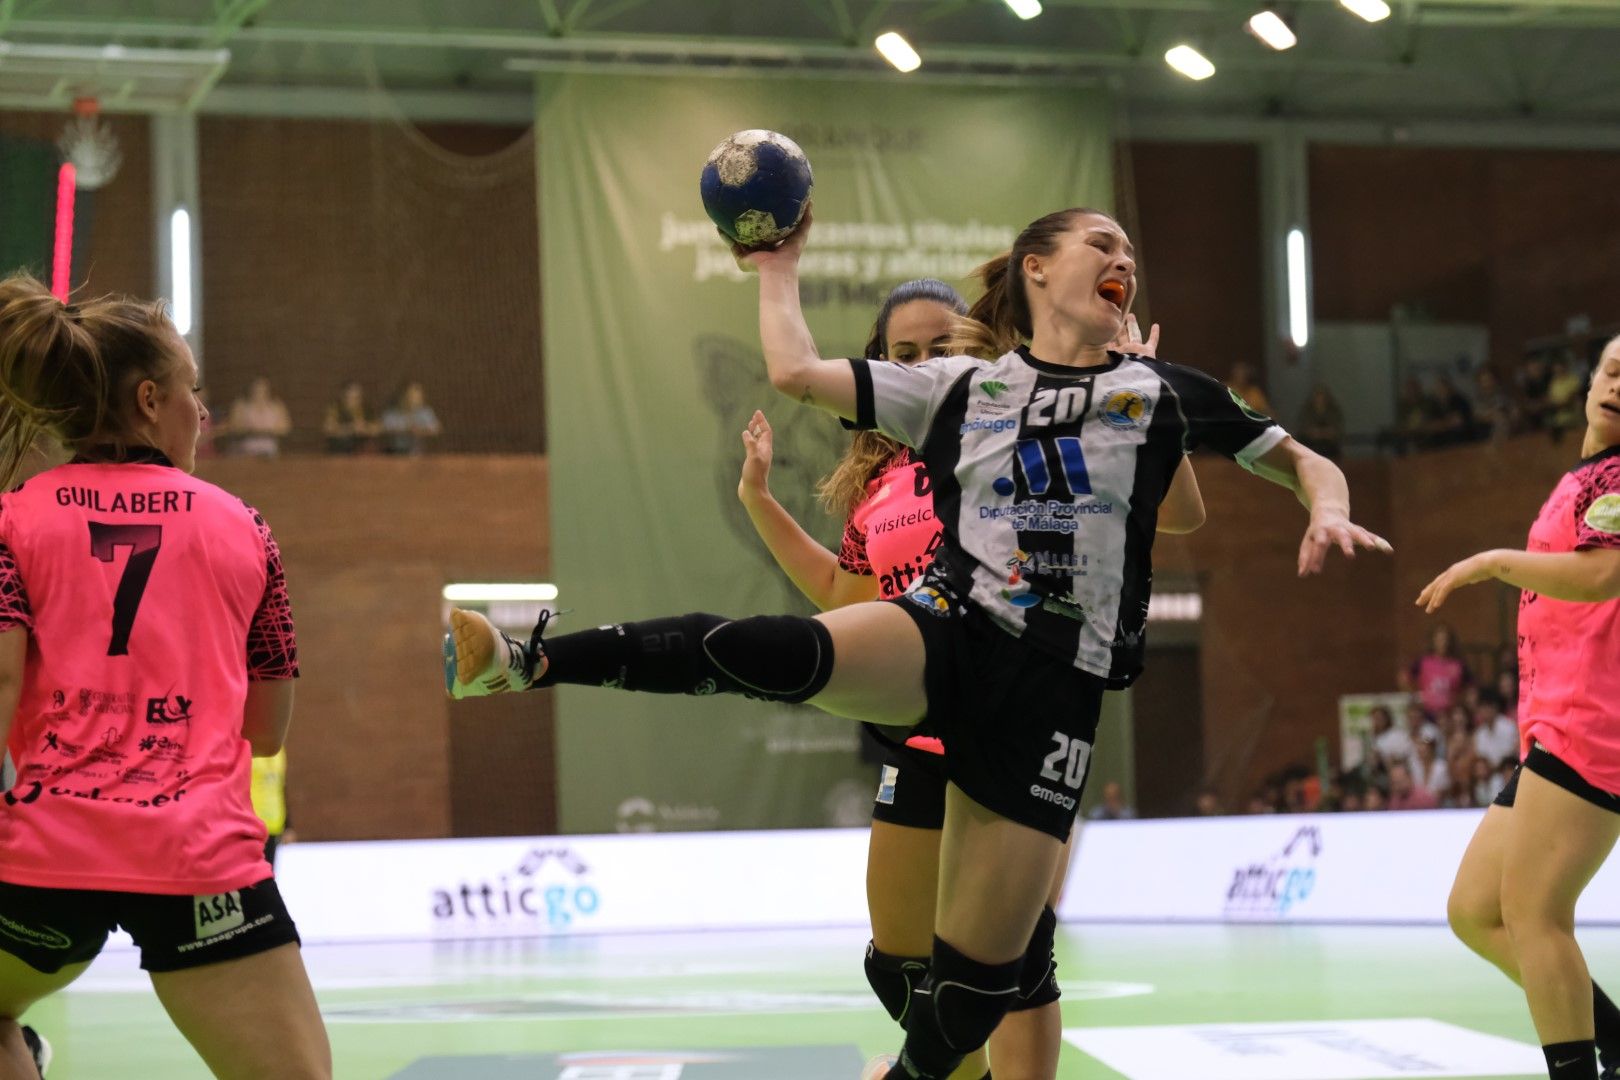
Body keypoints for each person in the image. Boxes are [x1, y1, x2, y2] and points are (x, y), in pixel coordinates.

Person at [446, 206, 1387, 1080]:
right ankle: (525, 658)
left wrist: (1329, 509)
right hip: (951, 628)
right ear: (1036, 270)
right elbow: (797, 375)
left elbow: (1301, 459)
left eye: (1129, 251)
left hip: (1054, 696)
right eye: (1098, 243)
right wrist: (777, 269)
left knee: (975, 994)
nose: (1122, 257)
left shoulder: (1162, 393)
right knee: (776, 652)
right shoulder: (963, 387)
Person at [735, 279, 1203, 1080]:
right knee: (900, 969)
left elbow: (1176, 510)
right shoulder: (880, 488)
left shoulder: (1026, 429)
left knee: (1017, 964)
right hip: (918, 731)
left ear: (974, 354)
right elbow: (848, 600)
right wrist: (759, 501)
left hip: (1009, 720)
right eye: (903, 354)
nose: (922, 363)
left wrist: (1131, 388)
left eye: (940, 348)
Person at [0, 275, 330, 1079]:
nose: (203, 413)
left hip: (43, 858)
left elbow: (1, 687)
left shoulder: (12, 520)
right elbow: (267, 730)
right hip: (198, 861)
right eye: (194, 392)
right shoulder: (246, 528)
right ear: (150, 401)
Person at [1423, 334, 1620, 1080]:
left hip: (1593, 723)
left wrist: (1491, 562)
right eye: (1612, 370)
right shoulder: (1588, 474)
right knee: (1475, 910)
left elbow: (1603, 577)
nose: (1619, 386)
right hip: (1558, 722)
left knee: (1537, 916)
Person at [225, 376, 291, 459]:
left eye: (263, 389)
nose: (259, 391)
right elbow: (234, 427)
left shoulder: (277, 406)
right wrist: (249, 431)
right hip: (245, 450)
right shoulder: (241, 405)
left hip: (270, 451)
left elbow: (285, 428)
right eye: (256, 388)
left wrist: (265, 432)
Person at [251, 748, 295, 869]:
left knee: (267, 873)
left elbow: (281, 788)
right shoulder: (246, 749)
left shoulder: (279, 751)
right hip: (251, 825)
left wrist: (287, 825)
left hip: (274, 825)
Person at [380, 381, 442, 456]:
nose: (414, 400)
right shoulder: (392, 413)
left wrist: (421, 431)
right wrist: (405, 430)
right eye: (411, 396)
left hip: (417, 453)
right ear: (403, 397)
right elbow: (382, 428)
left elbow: (436, 429)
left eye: (417, 397)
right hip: (394, 452)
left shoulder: (425, 413)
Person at [322, 380, 377, 454]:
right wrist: (351, 428)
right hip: (341, 447)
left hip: (361, 448)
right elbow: (329, 429)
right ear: (344, 397)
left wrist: (365, 428)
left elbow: (377, 428)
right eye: (351, 397)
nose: (355, 401)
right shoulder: (336, 408)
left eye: (358, 397)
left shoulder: (365, 409)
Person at [1296, 384, 1345, 460]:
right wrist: (1317, 433)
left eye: (1322, 396)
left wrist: (1321, 433)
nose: (1320, 399)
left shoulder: (1333, 411)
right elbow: (1305, 430)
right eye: (1317, 396)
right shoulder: (1307, 411)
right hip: (1311, 445)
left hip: (1329, 446)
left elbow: (1335, 431)